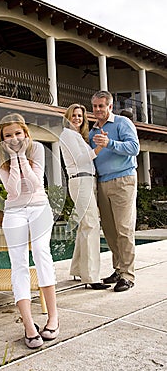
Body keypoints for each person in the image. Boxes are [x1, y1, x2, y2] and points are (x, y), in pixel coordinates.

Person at [0, 113, 59, 349]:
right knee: (18, 263)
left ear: (26, 133)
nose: (13, 138)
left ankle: (53, 317)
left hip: (39, 208)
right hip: (14, 211)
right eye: (7, 135)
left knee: (42, 253)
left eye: (17, 133)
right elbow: (12, 190)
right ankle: (29, 325)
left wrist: (21, 156)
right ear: (1, 138)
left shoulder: (38, 149)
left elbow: (34, 185)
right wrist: (13, 159)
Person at [89, 90, 140, 292]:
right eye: (95, 106)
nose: (98, 110)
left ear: (110, 106)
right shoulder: (92, 131)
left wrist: (109, 143)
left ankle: (128, 276)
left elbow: (134, 147)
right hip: (102, 182)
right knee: (110, 231)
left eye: (102, 106)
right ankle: (118, 269)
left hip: (123, 180)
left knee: (124, 229)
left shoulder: (122, 123)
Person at [59, 104, 110, 290]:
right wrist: (99, 149)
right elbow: (80, 159)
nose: (77, 118)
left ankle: (78, 269)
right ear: (68, 117)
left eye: (80, 115)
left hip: (85, 181)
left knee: (85, 225)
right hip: (81, 181)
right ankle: (91, 277)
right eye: (73, 115)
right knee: (91, 225)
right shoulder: (67, 134)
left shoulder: (77, 136)